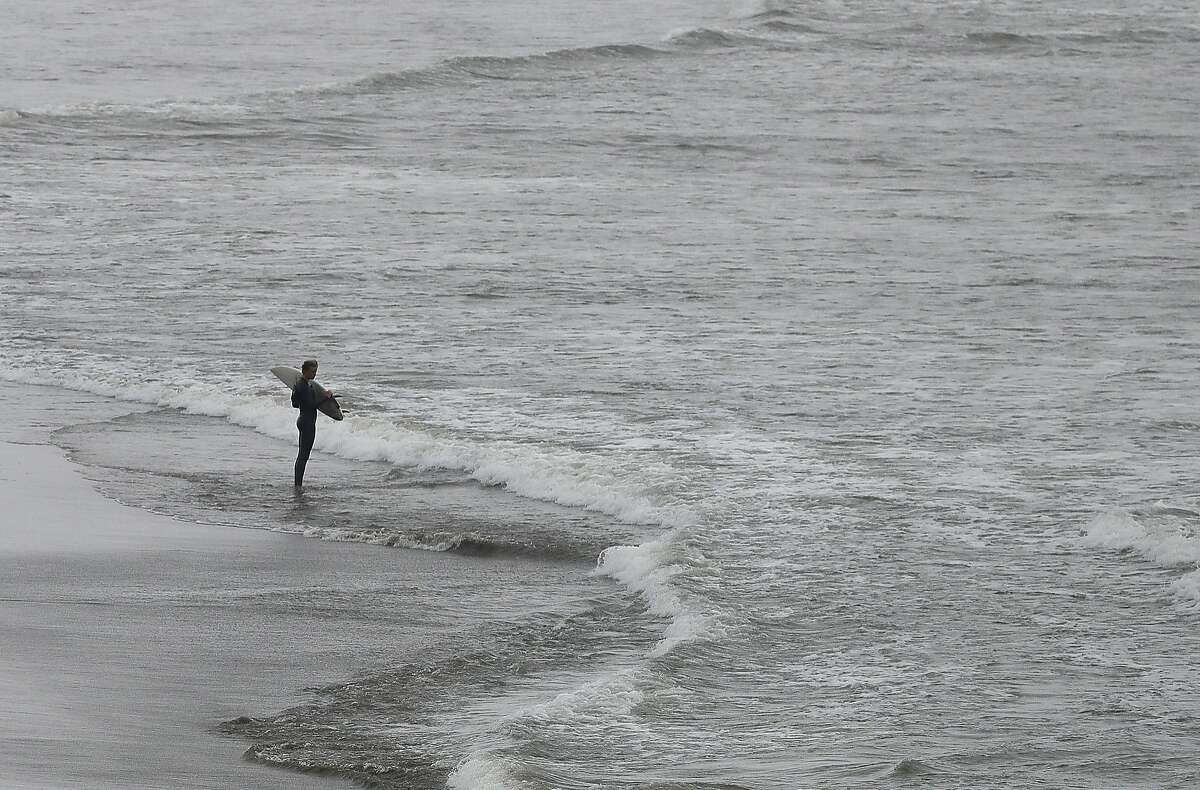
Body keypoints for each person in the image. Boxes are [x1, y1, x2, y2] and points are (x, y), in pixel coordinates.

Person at [291, 359, 332, 487]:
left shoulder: (299, 384)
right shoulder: (304, 386)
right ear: (306, 370)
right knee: (303, 456)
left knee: (302, 455)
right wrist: (326, 398)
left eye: (316, 371)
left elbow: (295, 404)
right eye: (313, 371)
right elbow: (311, 405)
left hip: (302, 420)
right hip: (308, 422)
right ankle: (298, 486)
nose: (315, 374)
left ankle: (298, 484)